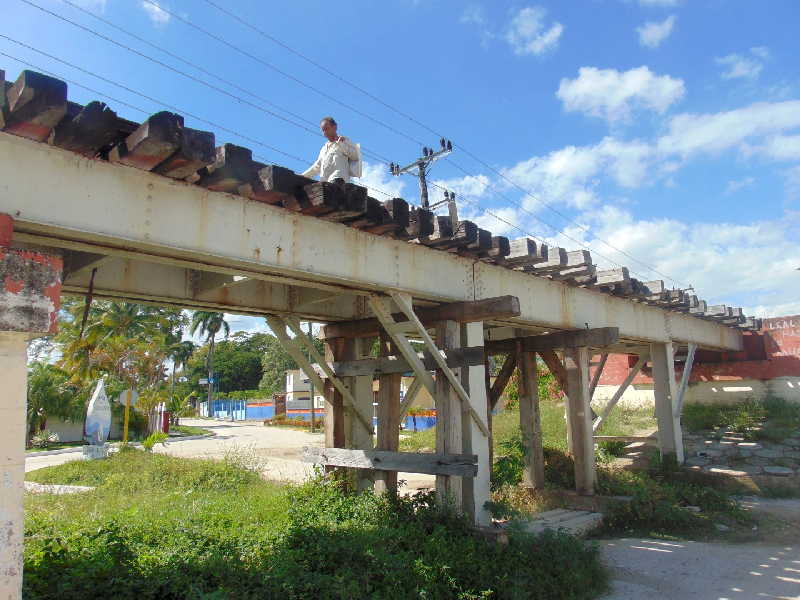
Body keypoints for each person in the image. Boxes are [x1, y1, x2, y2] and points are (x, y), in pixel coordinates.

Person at [302, 116, 361, 184]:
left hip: (339, 182)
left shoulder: (344, 140)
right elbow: (317, 166)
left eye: (326, 129)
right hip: (325, 183)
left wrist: (341, 144)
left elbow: (356, 156)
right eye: (323, 130)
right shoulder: (324, 148)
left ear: (335, 127)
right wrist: (302, 176)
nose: (325, 132)